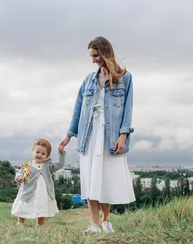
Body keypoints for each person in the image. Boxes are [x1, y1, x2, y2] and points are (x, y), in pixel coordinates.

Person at [58, 36, 135, 233]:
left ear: (104, 52)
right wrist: (69, 135)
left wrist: (123, 135)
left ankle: (106, 220)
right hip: (88, 135)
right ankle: (93, 224)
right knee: (90, 178)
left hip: (110, 136)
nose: (93, 60)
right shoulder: (88, 80)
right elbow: (78, 109)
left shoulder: (125, 78)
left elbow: (128, 110)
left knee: (106, 178)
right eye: (91, 57)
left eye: (95, 55)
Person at [12, 138, 66, 227]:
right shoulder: (28, 165)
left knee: (41, 206)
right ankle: (20, 222)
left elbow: (60, 164)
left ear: (47, 156)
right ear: (33, 151)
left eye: (43, 153)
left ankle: (39, 224)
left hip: (42, 192)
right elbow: (19, 172)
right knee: (23, 205)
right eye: (37, 152)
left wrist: (61, 154)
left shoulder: (48, 165)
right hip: (28, 190)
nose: (39, 155)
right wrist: (19, 177)